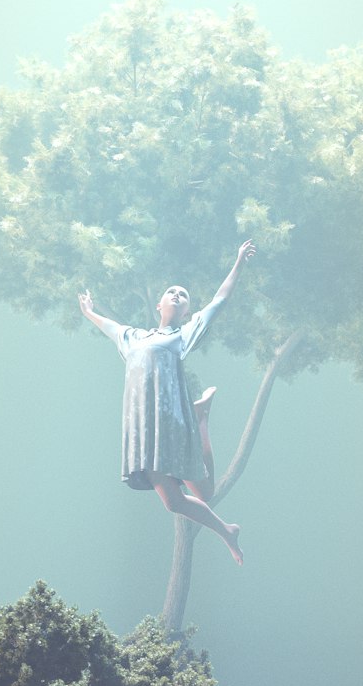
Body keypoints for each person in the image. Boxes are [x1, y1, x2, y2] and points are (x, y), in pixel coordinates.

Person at [78, 240, 256, 565]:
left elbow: (220, 300)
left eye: (183, 295)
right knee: (174, 503)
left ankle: (200, 422)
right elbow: (108, 326)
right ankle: (227, 531)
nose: (176, 295)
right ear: (159, 305)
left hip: (170, 421)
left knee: (205, 494)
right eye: (171, 292)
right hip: (146, 432)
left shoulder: (182, 336)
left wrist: (239, 262)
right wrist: (89, 311)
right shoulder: (133, 337)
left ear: (186, 311)